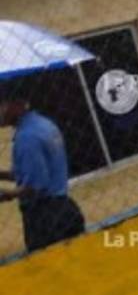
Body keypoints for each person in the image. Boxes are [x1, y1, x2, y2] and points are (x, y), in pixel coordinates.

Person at [0, 78, 86, 253]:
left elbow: (35, 186)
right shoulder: (42, 124)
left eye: (1, 106)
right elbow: (28, 173)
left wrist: (6, 194)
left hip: (45, 219)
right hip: (64, 207)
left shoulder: (26, 138)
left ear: (16, 105)